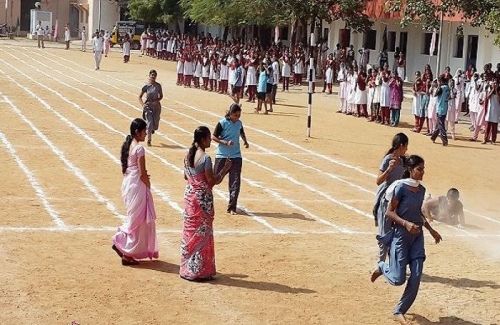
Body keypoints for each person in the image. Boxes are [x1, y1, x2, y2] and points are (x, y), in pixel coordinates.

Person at [371, 155, 442, 325]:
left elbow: (419, 213)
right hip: (401, 236)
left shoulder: (422, 190)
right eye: (420, 169)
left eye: (424, 169)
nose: (423, 172)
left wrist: (431, 230)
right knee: (398, 279)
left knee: (416, 276)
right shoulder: (400, 188)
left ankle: (399, 310)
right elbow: (389, 212)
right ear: (411, 170)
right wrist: (406, 223)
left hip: (417, 237)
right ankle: (382, 266)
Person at [180, 126, 232, 281]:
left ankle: (187, 267)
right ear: (203, 139)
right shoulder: (206, 159)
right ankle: (200, 270)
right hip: (202, 201)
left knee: (190, 232)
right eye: (209, 138)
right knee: (203, 234)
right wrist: (225, 170)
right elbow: (212, 182)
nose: (210, 140)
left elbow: (186, 177)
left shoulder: (188, 155)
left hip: (190, 198)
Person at [112, 118, 158, 266]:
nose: (146, 134)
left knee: (134, 217)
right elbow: (142, 172)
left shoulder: (128, 145)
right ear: (138, 132)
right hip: (138, 185)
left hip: (129, 184)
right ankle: (125, 248)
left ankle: (127, 250)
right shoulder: (139, 148)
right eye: (144, 131)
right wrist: (148, 184)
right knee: (138, 220)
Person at [373, 133, 408, 262]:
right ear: (401, 145)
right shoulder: (388, 159)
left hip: (398, 198)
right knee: (385, 232)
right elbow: (378, 181)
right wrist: (389, 169)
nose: (406, 150)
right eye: (406, 147)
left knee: (398, 232)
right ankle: (381, 264)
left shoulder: (404, 160)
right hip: (386, 199)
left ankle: (394, 261)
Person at [212, 103, 249, 215]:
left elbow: (241, 132)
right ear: (230, 113)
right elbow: (214, 137)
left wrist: (245, 141)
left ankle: (232, 207)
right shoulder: (222, 123)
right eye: (235, 115)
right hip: (222, 156)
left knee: (235, 182)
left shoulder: (239, 123)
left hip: (236, 156)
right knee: (215, 180)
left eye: (239, 115)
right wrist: (224, 142)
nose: (237, 117)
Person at [139, 70, 163, 146]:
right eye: (152, 75)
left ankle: (151, 129)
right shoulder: (146, 86)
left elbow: (161, 96)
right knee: (149, 123)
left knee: (155, 125)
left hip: (156, 107)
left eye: (154, 75)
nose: (153, 76)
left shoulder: (158, 86)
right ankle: (149, 139)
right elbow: (139, 97)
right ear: (149, 75)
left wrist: (157, 100)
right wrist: (143, 105)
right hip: (148, 106)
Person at [430, 76, 450, 146]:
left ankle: (445, 140)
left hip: (440, 108)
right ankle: (433, 137)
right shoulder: (447, 87)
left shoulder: (441, 88)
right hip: (444, 107)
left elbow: (435, 94)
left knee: (441, 124)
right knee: (438, 123)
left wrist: (438, 85)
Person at [483, 79, 499, 144]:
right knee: (488, 126)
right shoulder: (489, 90)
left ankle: (493, 140)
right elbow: (488, 97)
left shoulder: (498, 91)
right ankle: (485, 139)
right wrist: (492, 90)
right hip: (490, 110)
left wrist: (496, 90)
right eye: (493, 83)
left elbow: (498, 99)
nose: (494, 85)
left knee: (494, 126)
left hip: (496, 110)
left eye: (496, 84)